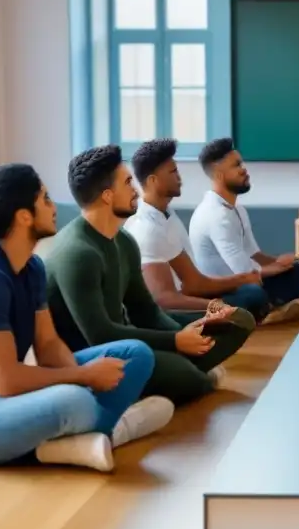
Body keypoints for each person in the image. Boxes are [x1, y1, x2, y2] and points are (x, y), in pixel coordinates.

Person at [0, 164, 174, 473]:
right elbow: (7, 382)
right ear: (24, 216)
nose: (54, 207)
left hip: (8, 404)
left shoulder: (32, 267)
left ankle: (82, 437)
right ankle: (115, 429)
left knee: (135, 354)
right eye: (46, 199)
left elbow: (49, 344)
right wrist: (83, 377)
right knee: (72, 401)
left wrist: (84, 378)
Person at [45, 145, 256, 407]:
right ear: (108, 196)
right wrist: (176, 341)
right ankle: (179, 377)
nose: (136, 190)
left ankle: (175, 373)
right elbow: (100, 335)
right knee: (193, 380)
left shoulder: (124, 242)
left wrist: (188, 332)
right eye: (127, 183)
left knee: (237, 323)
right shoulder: (79, 253)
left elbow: (146, 311)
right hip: (98, 357)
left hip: (129, 339)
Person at [123, 138, 269, 323]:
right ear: (153, 181)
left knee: (251, 292)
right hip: (170, 315)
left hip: (187, 296)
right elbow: (164, 301)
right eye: (173, 171)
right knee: (250, 298)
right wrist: (218, 307)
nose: (179, 177)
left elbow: (193, 282)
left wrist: (242, 280)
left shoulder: (166, 214)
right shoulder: (146, 228)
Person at [188, 138, 299, 323]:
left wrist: (283, 262)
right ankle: (269, 310)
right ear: (219, 174)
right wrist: (279, 266)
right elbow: (244, 271)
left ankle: (274, 307)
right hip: (225, 288)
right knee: (253, 294)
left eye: (242, 163)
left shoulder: (236, 209)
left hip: (246, 278)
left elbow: (254, 254)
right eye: (236, 165)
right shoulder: (216, 216)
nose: (244, 169)